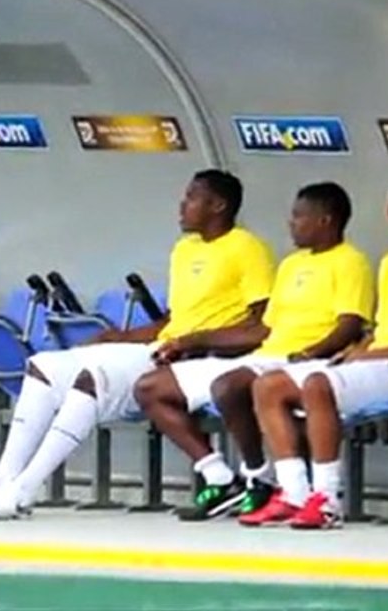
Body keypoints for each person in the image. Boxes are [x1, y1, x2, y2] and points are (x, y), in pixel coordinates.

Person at [0, 169, 276, 519]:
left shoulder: (247, 248)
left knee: (92, 377)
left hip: (198, 357)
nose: (183, 204)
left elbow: (260, 325)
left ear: (218, 205)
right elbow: (174, 321)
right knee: (43, 365)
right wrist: (120, 336)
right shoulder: (184, 249)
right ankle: (1, 481)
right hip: (163, 348)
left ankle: (23, 491)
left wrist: (194, 342)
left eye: (192, 197)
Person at [134, 182, 374, 521]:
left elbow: (350, 323)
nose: (291, 223)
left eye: (298, 216)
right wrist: (192, 341)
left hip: (306, 360)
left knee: (229, 386)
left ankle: (262, 481)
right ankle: (235, 477)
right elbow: (266, 328)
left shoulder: (351, 261)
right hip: (266, 353)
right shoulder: (291, 265)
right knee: (150, 387)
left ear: (325, 220)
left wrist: (312, 351)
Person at [243, 176, 388, 529]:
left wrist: (372, 356)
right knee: (268, 386)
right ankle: (294, 493)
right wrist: (359, 349)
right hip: (381, 363)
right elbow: (385, 326)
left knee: (318, 383)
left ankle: (328, 500)